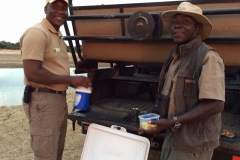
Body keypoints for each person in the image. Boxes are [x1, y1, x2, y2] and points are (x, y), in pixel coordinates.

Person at [140, 2, 225, 160]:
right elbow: (168, 94)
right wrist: (155, 118)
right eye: (175, 23)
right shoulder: (173, 56)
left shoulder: (208, 57)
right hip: (173, 137)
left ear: (197, 28)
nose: (177, 26)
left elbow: (216, 104)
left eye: (185, 22)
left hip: (193, 144)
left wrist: (173, 122)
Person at [20, 0, 92, 159]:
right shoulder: (37, 33)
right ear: (46, 8)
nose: (60, 11)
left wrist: (75, 82)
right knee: (46, 155)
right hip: (43, 101)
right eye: (55, 7)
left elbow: (53, 69)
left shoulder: (57, 35)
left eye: (64, 8)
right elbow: (32, 72)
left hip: (56, 100)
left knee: (55, 153)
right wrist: (71, 80)